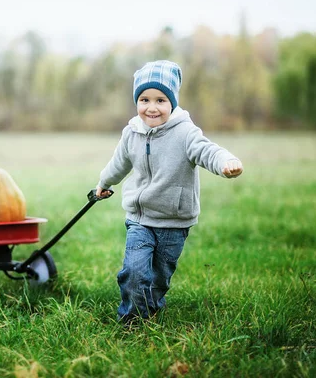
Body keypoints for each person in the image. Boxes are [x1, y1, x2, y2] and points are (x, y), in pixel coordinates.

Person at [95, 60, 243, 323]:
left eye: (160, 100)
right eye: (144, 99)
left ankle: (150, 308)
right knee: (134, 270)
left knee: (159, 276)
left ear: (172, 102)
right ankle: (132, 320)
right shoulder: (132, 133)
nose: (151, 107)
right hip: (139, 219)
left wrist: (225, 161)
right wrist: (103, 183)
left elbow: (207, 150)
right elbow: (119, 163)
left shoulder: (185, 132)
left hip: (174, 222)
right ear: (136, 101)